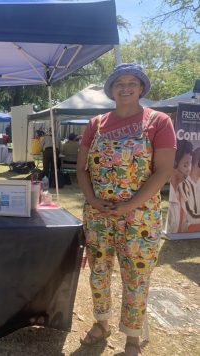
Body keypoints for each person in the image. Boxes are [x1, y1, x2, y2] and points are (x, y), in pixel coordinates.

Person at [76, 63, 176, 356]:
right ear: (111, 90)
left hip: (140, 218)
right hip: (98, 216)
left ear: (142, 88)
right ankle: (101, 323)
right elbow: (81, 169)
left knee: (136, 276)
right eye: (120, 83)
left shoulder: (158, 122)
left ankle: (132, 337)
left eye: (132, 82)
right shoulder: (96, 124)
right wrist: (94, 201)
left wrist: (129, 206)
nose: (126, 87)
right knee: (99, 272)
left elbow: (164, 171)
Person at [167, 139, 193, 232]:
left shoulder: (186, 190)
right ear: (174, 163)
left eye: (190, 164)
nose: (188, 170)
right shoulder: (164, 194)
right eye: (186, 165)